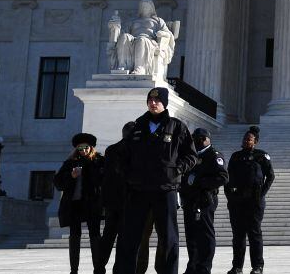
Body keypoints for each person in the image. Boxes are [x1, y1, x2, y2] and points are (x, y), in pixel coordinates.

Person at [113, 87, 197, 274]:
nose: (153, 103)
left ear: (164, 103)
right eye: (150, 100)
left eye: (157, 101)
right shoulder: (138, 126)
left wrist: (177, 170)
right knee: (131, 236)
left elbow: (190, 156)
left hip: (165, 189)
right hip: (139, 190)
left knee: (168, 237)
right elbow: (121, 156)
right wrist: (128, 175)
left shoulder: (176, 127)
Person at [225, 126, 274, 274]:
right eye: (245, 139)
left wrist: (261, 194)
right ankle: (237, 266)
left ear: (256, 141)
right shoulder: (236, 156)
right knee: (238, 235)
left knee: (254, 234)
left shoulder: (261, 156)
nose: (246, 141)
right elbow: (228, 178)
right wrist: (230, 197)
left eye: (249, 139)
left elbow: (270, 176)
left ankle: (257, 267)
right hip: (237, 201)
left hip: (254, 200)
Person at [55, 133, 105, 274]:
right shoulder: (70, 162)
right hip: (75, 204)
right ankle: (74, 270)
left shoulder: (99, 161)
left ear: (91, 147)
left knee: (95, 234)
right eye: (80, 148)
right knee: (74, 235)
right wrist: (71, 176)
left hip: (93, 203)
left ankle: (99, 269)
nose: (83, 150)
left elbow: (106, 180)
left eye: (85, 147)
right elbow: (58, 182)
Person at [181, 128, 228, 274]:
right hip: (189, 200)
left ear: (208, 139)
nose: (199, 141)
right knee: (191, 235)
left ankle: (204, 267)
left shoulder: (214, 155)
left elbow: (223, 177)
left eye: (202, 138)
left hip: (205, 200)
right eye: (196, 138)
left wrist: (200, 182)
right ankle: (193, 265)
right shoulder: (190, 155)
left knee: (205, 234)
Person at [97, 122, 135, 271]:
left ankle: (99, 267)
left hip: (112, 202)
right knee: (123, 238)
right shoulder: (134, 151)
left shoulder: (111, 149)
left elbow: (106, 179)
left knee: (108, 236)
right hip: (127, 200)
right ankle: (118, 269)